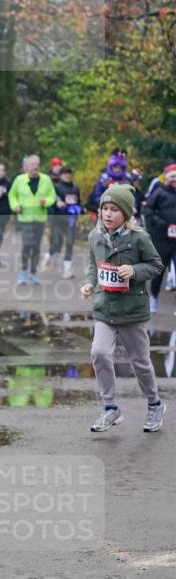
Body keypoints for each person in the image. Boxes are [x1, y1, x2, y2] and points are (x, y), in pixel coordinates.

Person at [81, 184, 165, 432]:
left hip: (132, 312)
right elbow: (93, 267)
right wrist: (88, 284)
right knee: (99, 353)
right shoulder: (95, 237)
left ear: (126, 214)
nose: (107, 214)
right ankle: (110, 408)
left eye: (114, 210)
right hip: (105, 309)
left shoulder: (140, 238)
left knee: (140, 362)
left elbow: (156, 265)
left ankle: (154, 404)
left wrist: (135, 271)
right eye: (105, 209)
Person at [8, 155, 57, 285]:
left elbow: (52, 196)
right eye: (32, 164)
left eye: (37, 164)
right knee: (27, 245)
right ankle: (23, 272)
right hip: (24, 218)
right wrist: (15, 206)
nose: (35, 167)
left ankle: (33, 273)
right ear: (27, 166)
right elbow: (12, 195)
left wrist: (46, 202)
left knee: (36, 247)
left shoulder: (46, 179)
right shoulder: (19, 180)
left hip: (40, 218)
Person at [143, 160, 176, 315]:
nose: (174, 179)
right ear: (166, 178)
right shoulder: (159, 192)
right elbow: (148, 211)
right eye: (172, 177)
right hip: (162, 239)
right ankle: (154, 298)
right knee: (159, 271)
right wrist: (162, 225)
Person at [41, 166, 81, 278]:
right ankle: (47, 257)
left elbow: (78, 202)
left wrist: (80, 209)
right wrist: (56, 203)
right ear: (61, 175)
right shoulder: (55, 187)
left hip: (71, 219)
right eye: (65, 173)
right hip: (57, 219)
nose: (67, 175)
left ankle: (67, 270)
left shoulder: (75, 188)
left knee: (69, 243)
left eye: (69, 173)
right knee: (56, 243)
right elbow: (49, 203)